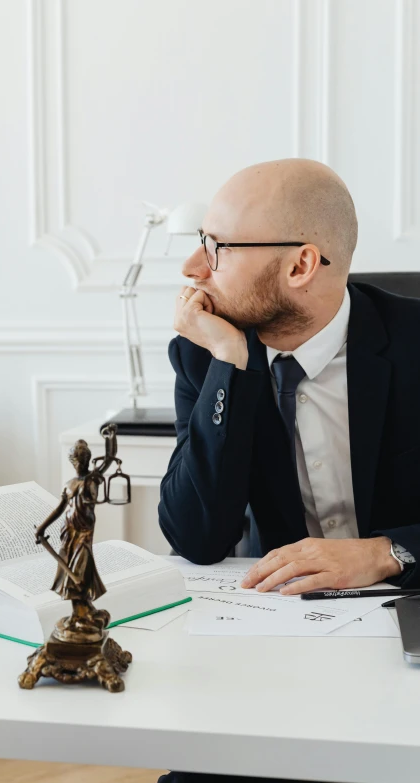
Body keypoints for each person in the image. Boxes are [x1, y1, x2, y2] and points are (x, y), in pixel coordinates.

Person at [157, 158, 420, 783]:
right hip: (285, 632)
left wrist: (388, 553)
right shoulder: (207, 354)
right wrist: (228, 362)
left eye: (215, 248)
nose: (193, 270)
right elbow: (195, 537)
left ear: (301, 265)